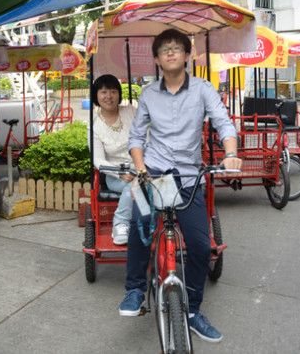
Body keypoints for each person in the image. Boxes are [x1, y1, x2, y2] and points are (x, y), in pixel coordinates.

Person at [120, 28, 243, 344]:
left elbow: (224, 122)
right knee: (139, 225)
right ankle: (135, 290)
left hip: (189, 179)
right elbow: (136, 138)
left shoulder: (203, 89)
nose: (170, 52)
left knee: (202, 246)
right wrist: (141, 168)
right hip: (154, 176)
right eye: (164, 49)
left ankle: (193, 310)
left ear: (188, 54)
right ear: (158, 59)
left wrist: (231, 154)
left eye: (176, 47)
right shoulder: (148, 94)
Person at [90, 74, 136, 245]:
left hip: (142, 168)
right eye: (103, 92)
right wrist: (121, 173)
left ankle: (144, 223)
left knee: (144, 183)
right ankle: (121, 222)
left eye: (113, 91)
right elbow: (98, 160)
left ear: (119, 94)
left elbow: (146, 140)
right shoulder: (94, 125)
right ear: (96, 95)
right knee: (134, 184)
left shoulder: (131, 112)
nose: (108, 96)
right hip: (116, 176)